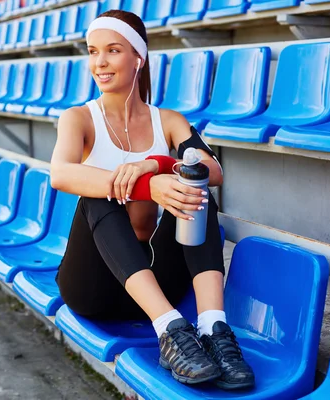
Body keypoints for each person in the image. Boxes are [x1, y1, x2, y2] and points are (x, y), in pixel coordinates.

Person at [50, 9, 254, 390]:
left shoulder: (169, 121)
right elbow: (60, 174)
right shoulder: (79, 118)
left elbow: (214, 171)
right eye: (93, 52)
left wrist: (156, 164)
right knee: (97, 195)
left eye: (113, 50)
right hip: (93, 285)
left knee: (196, 190)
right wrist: (145, 187)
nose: (100, 62)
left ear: (138, 58)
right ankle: (171, 332)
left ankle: (214, 331)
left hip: (156, 281)